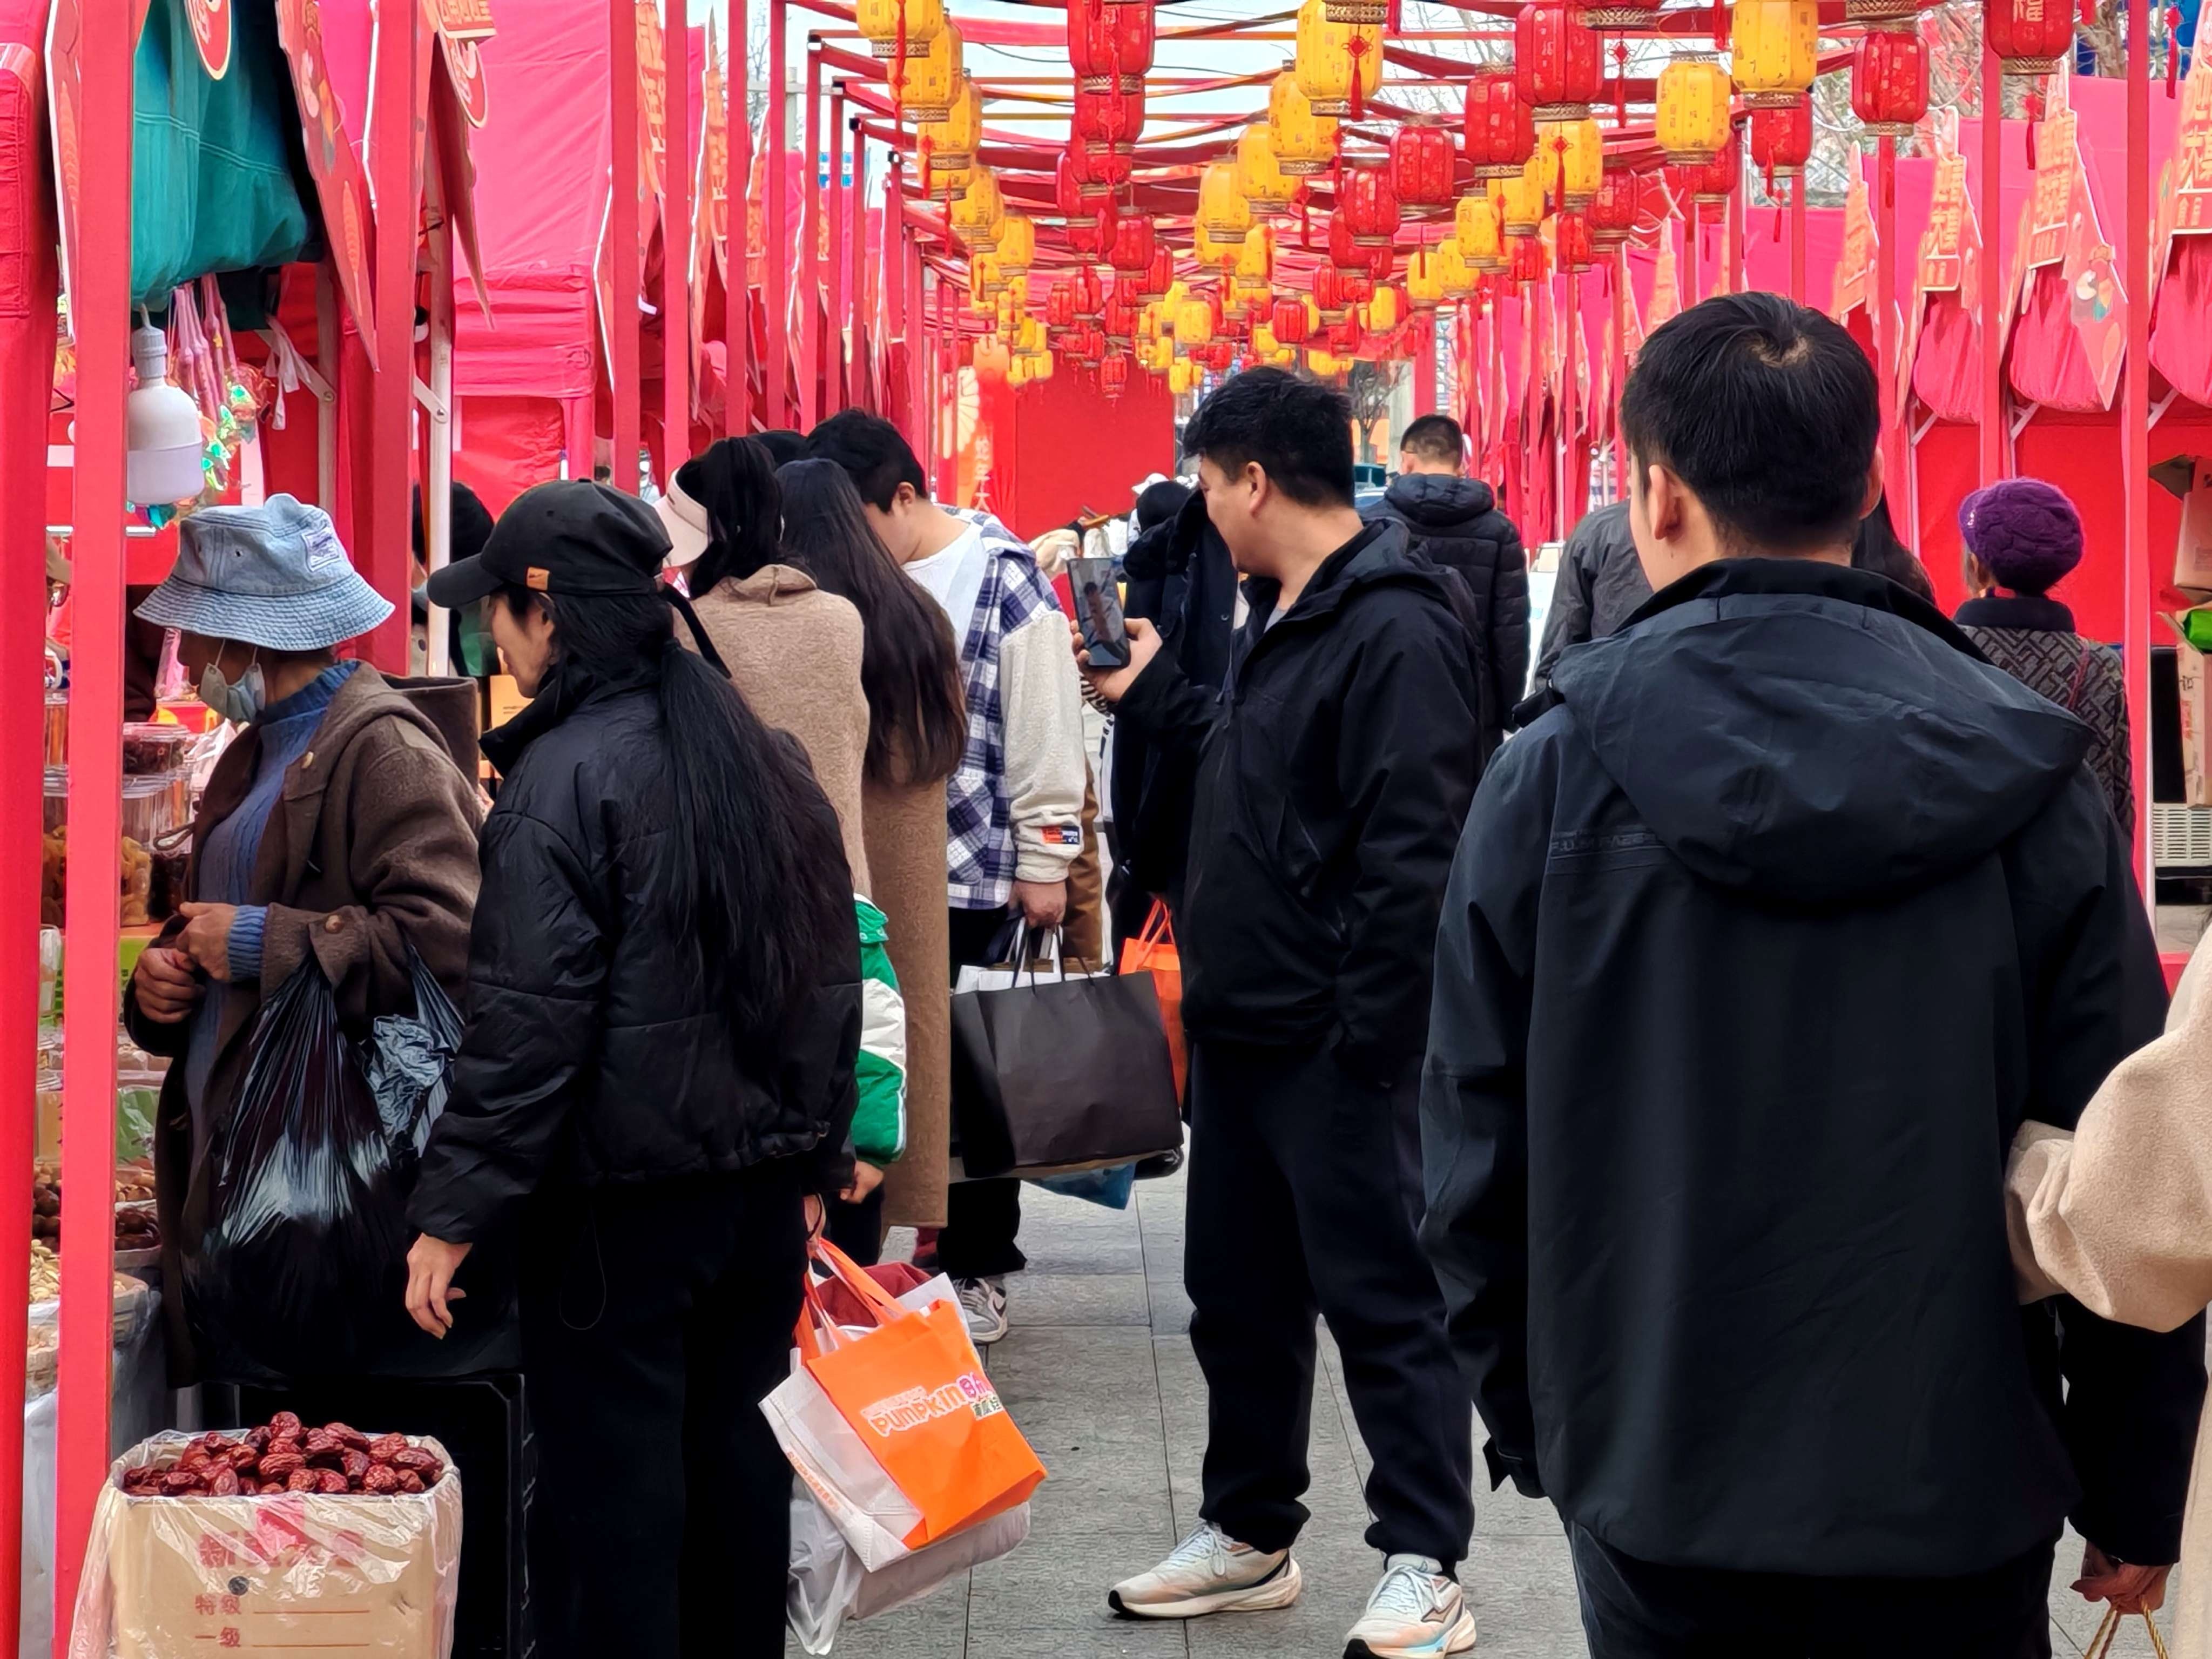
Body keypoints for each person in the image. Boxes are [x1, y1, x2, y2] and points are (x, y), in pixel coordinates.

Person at [1420, 292, 2204, 1655]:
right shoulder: (2027, 768)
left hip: (1657, 1459)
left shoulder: (1548, 771)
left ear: (1653, 496)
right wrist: (2137, 1479)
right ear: (1872, 484)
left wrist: (1542, 1418)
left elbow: (1472, 1150)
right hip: (1954, 1468)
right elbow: (2125, 1149)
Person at [404, 482, 861, 1659]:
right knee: (733, 1491)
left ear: (545, 617)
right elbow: (829, 981)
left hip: (617, 1222)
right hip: (752, 1207)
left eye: (496, 615)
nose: (491, 640)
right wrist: (816, 1150)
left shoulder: (560, 783)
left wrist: (452, 1214)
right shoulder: (761, 756)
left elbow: (526, 1026)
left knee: (615, 1518)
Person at [1081, 368, 1482, 1658]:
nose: (1205, 508)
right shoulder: (1284, 607)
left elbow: (1415, 850)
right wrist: (1152, 695)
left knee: (1381, 1295)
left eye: (1208, 482)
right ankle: (1250, 1528)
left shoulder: (1399, 621)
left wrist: (1371, 1035)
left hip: (1336, 1038)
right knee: (1235, 1293)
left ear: (1253, 478)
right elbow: (1260, 768)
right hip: (1246, 1024)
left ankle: (1427, 1553)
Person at [123, 496, 484, 1381]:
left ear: (248, 639)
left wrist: (259, 942)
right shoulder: (252, 752)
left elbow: (453, 940)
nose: (192, 663)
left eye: (200, 640)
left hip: (328, 1187)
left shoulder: (382, 748)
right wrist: (162, 991)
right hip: (245, 1171)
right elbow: (225, 944)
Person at [808, 409, 1087, 1345]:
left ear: (902, 497)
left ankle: (978, 1263)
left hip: (985, 868)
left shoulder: (1005, 577)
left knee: (981, 1073)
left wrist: (1050, 858)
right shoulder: (860, 577)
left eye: (862, 518)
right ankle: (903, 1253)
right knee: (904, 1062)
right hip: (892, 863)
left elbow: (1050, 721)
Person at [775, 457, 969, 1262]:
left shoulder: (816, 624)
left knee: (834, 1049)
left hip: (840, 875)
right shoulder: (917, 613)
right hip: (910, 873)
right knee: (891, 1050)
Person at [2007, 927, 2212, 1658]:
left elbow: (2150, 1202)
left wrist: (2009, 1179)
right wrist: (2134, 1501)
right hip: (1963, 1492)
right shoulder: (2052, 827)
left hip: (1670, 1464)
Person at [1956, 477, 2132, 837]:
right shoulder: (2100, 665)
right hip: (2072, 875)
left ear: (1977, 568)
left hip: (1967, 879)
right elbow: (2118, 802)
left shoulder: (1934, 650)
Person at [1364, 413, 1528, 756]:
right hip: (1472, 702)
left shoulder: (1372, 523)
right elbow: (1510, 634)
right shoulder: (1499, 531)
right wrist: (1506, 709)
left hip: (1388, 697)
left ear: (1406, 461)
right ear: (1460, 464)